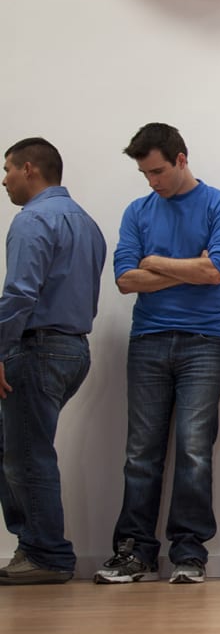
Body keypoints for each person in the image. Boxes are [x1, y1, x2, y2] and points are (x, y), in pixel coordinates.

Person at [95, 123, 220, 585]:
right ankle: (134, 552)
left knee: (195, 450)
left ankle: (189, 554)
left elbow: (215, 270)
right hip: (149, 341)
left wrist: (154, 262)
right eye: (145, 174)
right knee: (140, 453)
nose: (152, 182)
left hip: (205, 341)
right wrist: (190, 269)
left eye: (158, 171)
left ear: (182, 158)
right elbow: (124, 280)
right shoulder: (137, 211)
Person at [0, 138, 105, 585]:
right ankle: (35, 547)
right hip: (73, 348)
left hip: (36, 347)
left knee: (25, 454)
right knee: (19, 447)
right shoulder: (87, 223)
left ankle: (47, 554)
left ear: (29, 168)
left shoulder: (32, 221)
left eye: (6, 170)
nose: (4, 180)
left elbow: (20, 294)